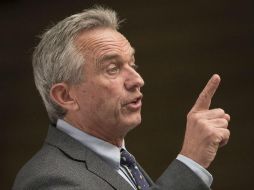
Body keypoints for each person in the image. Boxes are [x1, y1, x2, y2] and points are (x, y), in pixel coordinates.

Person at [12, 6, 230, 190]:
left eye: (132, 63)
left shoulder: (121, 162)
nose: (137, 79)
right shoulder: (48, 179)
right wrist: (191, 163)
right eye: (113, 68)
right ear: (66, 95)